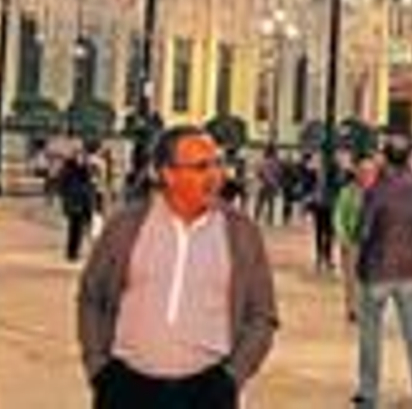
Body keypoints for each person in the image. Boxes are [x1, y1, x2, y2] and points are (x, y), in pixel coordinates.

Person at [76, 125, 278, 408]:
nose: (214, 176)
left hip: (208, 391)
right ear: (168, 174)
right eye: (201, 167)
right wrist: (99, 367)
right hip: (126, 388)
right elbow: (92, 296)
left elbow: (262, 315)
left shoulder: (241, 234)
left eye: (218, 164)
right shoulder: (126, 226)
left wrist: (232, 378)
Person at [354, 136, 412, 409]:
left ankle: (368, 392)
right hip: (411, 268)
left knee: (370, 334)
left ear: (385, 158)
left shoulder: (377, 190)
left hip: (377, 269)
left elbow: (363, 231)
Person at [335, 154, 382, 324]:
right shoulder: (348, 192)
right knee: (351, 278)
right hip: (352, 241)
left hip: (374, 243)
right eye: (363, 171)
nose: (366, 174)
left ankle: (370, 308)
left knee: (373, 279)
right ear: (356, 172)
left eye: (370, 171)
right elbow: (339, 216)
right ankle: (352, 309)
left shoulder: (379, 192)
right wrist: (343, 237)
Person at [57, 148, 101, 262]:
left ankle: (84, 251)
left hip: (85, 202)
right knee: (74, 229)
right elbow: (62, 187)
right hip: (75, 203)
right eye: (78, 156)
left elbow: (92, 185)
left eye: (81, 157)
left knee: (87, 228)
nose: (80, 159)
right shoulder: (68, 170)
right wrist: (66, 201)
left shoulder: (86, 170)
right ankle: (72, 252)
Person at [255, 148, 282, 226]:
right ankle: (270, 220)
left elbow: (259, 173)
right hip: (272, 184)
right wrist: (276, 183)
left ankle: (256, 218)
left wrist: (263, 179)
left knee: (260, 202)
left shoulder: (262, 162)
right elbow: (279, 174)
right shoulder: (276, 163)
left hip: (264, 184)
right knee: (271, 203)